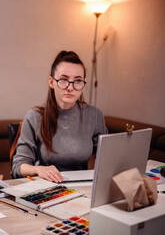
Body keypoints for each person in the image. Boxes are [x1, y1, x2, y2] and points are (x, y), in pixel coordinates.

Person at [12, 50, 107, 182]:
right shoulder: (34, 117)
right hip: (46, 187)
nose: (70, 87)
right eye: (63, 80)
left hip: (82, 188)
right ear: (51, 82)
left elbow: (106, 159)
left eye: (78, 81)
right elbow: (18, 167)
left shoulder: (94, 115)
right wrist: (38, 169)